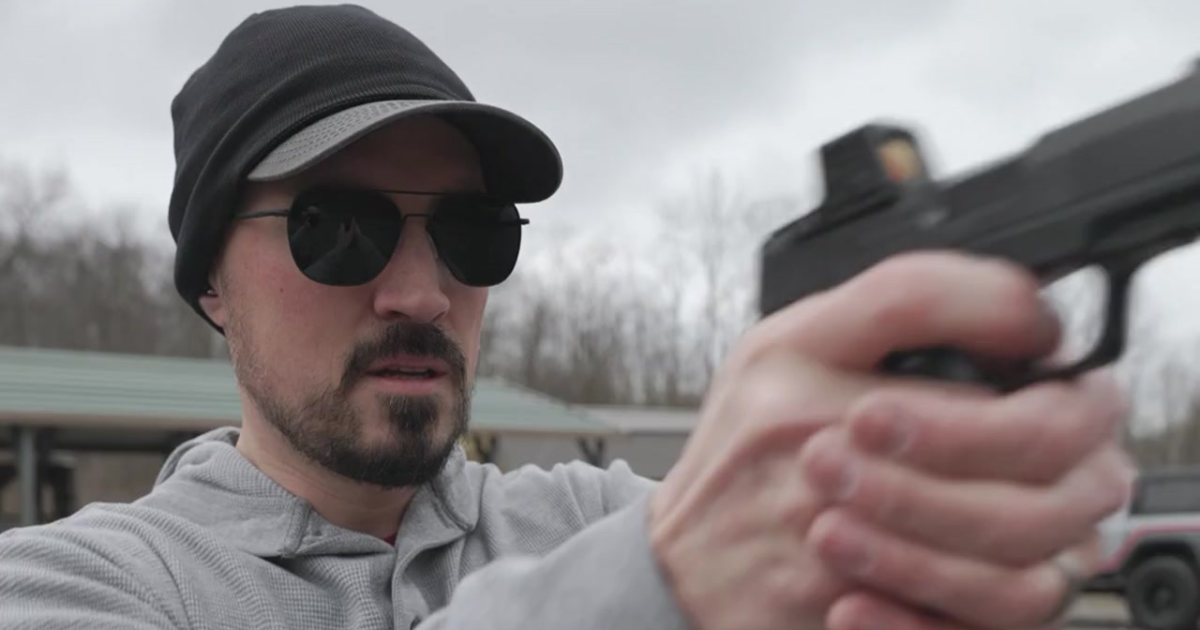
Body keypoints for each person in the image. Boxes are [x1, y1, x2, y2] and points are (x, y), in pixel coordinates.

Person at [0, 5, 1133, 630]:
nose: (420, 290)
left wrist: (931, 500)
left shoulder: (596, 511)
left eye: (473, 230)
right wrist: (658, 585)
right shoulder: (75, 584)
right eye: (336, 229)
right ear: (209, 284)